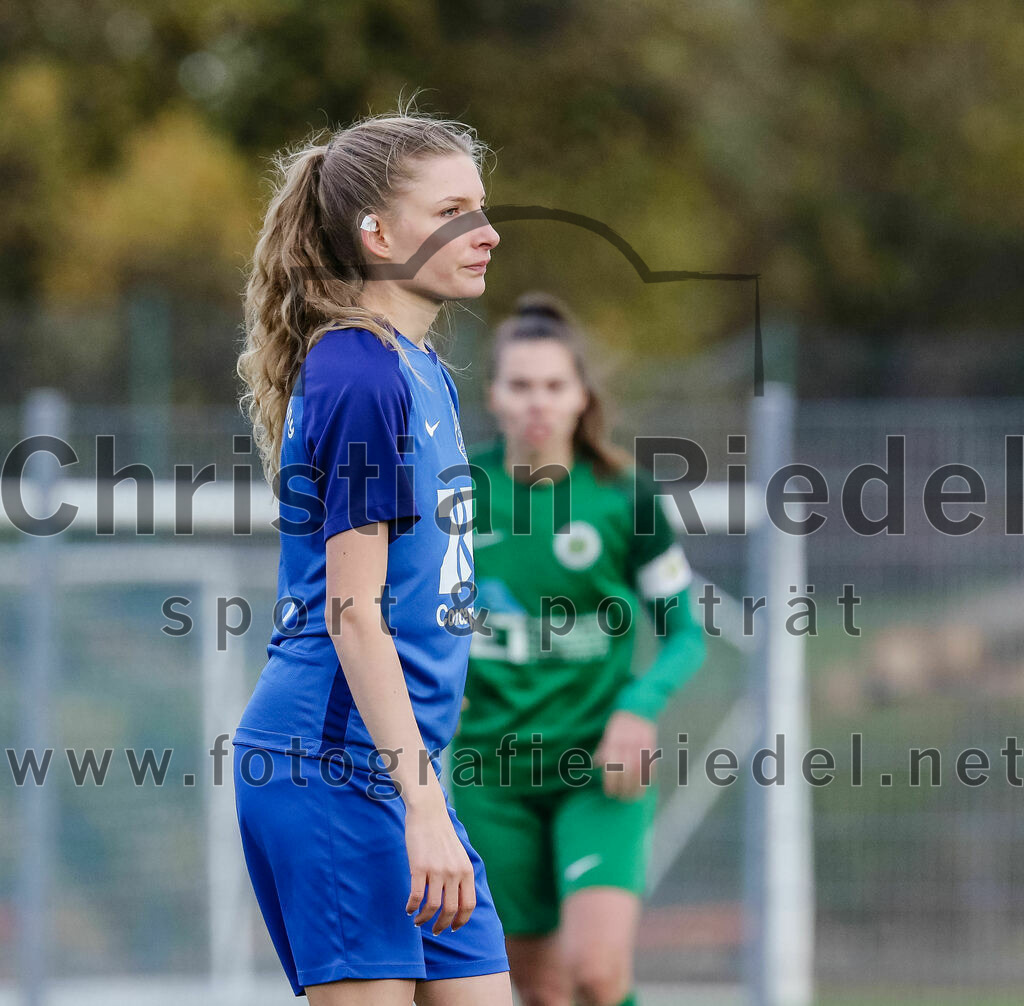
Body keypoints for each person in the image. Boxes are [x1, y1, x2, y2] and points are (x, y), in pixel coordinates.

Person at [232, 109, 512, 1006]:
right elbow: (353, 615)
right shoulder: (359, 372)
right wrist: (421, 805)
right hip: (331, 768)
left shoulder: (418, 367)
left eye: (481, 208)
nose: (486, 232)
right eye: (452, 212)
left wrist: (423, 794)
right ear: (378, 235)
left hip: (397, 772)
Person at [451, 294, 708, 1006]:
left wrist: (638, 707)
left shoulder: (625, 498)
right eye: (520, 385)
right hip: (490, 774)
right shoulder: (456, 495)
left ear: (581, 396)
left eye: (554, 385)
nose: (537, 402)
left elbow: (685, 632)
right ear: (493, 395)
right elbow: (405, 614)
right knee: (540, 987)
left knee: (596, 973)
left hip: (597, 767)